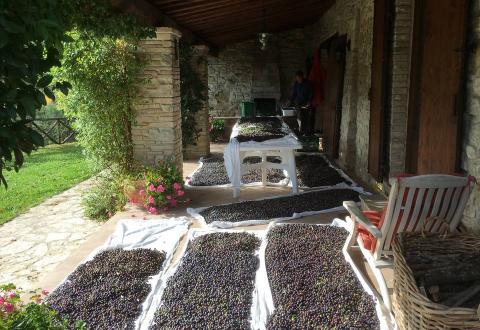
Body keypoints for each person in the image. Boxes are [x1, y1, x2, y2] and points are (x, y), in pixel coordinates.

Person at [289, 70, 313, 135]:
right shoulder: (296, 84)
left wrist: (309, 101)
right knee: (299, 115)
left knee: (305, 116)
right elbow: (294, 93)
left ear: (303, 77)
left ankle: (306, 132)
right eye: (297, 78)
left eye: (300, 78)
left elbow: (311, 93)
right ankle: (300, 130)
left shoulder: (308, 83)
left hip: (305, 102)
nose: (299, 80)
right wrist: (290, 101)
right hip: (298, 102)